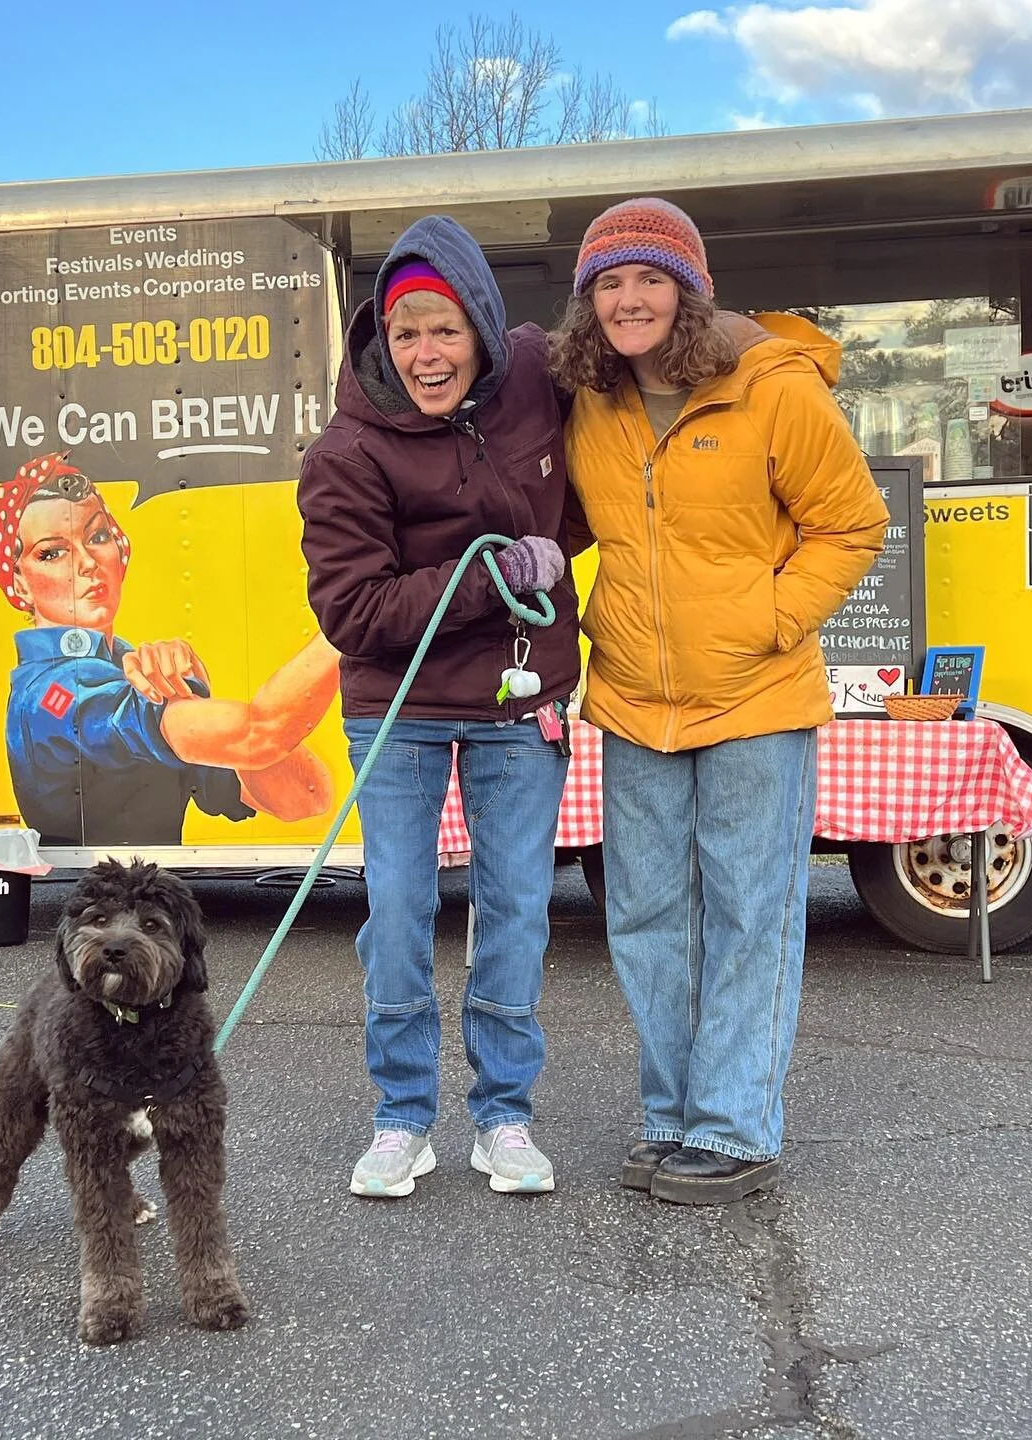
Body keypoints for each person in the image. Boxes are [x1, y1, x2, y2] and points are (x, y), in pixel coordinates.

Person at [550, 198, 890, 1204]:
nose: (629, 299)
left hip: (755, 698)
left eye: (649, 278)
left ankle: (735, 1126)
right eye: (608, 283)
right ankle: (669, 1113)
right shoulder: (592, 401)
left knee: (749, 914)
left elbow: (852, 525)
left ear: (689, 289)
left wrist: (769, 621)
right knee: (646, 915)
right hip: (635, 700)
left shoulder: (773, 392)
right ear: (588, 302)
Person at [297, 216, 581, 1198]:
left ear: (484, 329)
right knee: (401, 911)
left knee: (514, 910)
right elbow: (354, 610)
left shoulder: (538, 377)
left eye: (445, 329)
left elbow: (639, 355)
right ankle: (402, 1119)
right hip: (400, 710)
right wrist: (493, 576)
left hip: (519, 703)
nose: (425, 352)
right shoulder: (347, 450)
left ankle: (504, 1118)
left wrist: (557, 544)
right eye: (406, 331)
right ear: (383, 338)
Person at [0, 452, 339, 846]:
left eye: (97, 536)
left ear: (119, 550)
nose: (86, 562)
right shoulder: (54, 695)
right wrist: (351, 624)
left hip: (153, 894)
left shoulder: (128, 674)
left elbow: (306, 797)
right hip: (108, 902)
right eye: (52, 553)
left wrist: (201, 712)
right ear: (19, 583)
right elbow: (260, 734)